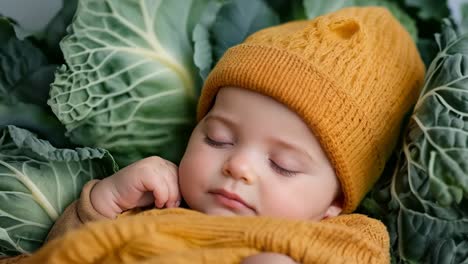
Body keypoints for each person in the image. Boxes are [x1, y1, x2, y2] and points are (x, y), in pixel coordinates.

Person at [3, 6, 425, 264]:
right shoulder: (153, 209)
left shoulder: (346, 237)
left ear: (335, 202)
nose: (238, 165)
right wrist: (102, 203)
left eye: (283, 165)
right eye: (218, 139)